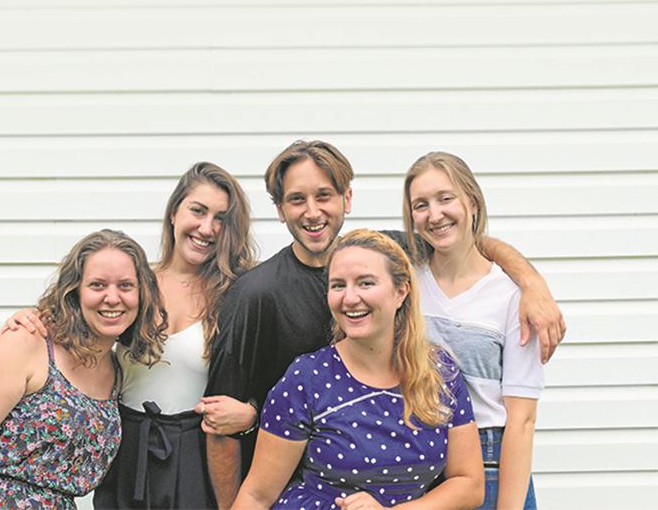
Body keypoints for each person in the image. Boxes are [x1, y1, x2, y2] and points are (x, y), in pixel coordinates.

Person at [205, 140, 564, 508]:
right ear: (280, 209)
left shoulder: (390, 259)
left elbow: (467, 244)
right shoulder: (258, 295)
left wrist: (531, 282)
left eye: (324, 195)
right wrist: (253, 415)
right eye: (297, 199)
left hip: (454, 460)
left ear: (400, 291)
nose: (312, 211)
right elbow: (222, 425)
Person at [1, 162, 259, 509]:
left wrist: (252, 413)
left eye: (221, 218)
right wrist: (29, 320)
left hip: (196, 451)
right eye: (197, 211)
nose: (207, 228)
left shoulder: (237, 297)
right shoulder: (135, 285)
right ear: (174, 213)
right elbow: (74, 322)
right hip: (127, 445)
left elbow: (270, 376)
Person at [232, 229, 485, 510]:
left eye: (365, 283)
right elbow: (257, 495)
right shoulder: (308, 378)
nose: (349, 298)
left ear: (401, 291)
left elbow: (469, 483)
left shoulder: (440, 373)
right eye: (338, 285)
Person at [0, 229, 166, 509]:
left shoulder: (118, 370)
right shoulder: (27, 343)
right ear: (75, 291)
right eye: (97, 285)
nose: (112, 297)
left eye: (125, 285)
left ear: (141, 294)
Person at [404, 152, 544, 509]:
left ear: (472, 202)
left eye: (445, 198)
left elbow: (522, 419)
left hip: (491, 461)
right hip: (418, 459)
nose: (435, 214)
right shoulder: (406, 287)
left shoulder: (513, 296)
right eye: (421, 205)